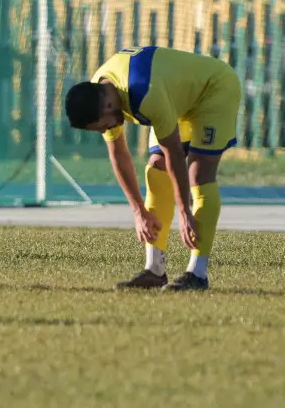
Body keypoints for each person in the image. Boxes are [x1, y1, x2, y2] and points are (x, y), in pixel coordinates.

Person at [65, 46, 241, 292]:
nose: (106, 131)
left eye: (102, 127)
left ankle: (197, 274)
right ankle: (155, 270)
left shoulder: (145, 95)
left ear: (106, 107)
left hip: (213, 89)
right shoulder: (100, 89)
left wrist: (184, 210)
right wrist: (138, 211)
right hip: (177, 97)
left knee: (198, 172)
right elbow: (118, 152)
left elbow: (175, 155)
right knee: (156, 169)